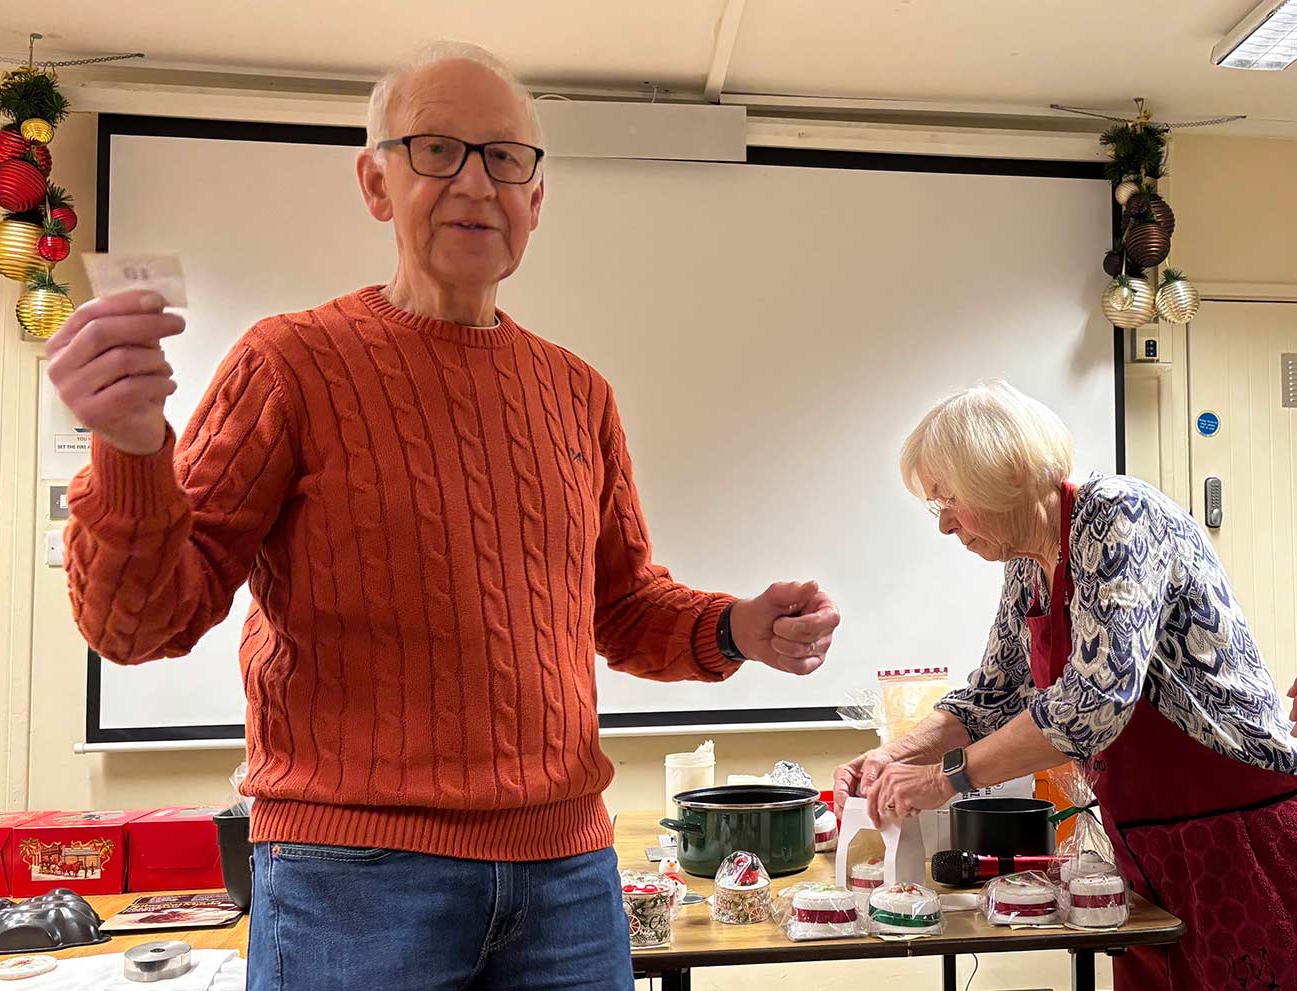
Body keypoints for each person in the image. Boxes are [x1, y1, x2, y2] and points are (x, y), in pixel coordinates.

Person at [48, 41, 841, 991]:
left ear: (535, 201)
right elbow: (141, 624)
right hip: (353, 880)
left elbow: (619, 601)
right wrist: (134, 453)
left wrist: (733, 626)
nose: (475, 181)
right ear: (376, 182)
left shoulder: (575, 392)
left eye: (505, 158)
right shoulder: (288, 365)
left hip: (567, 877)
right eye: (436, 149)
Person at [835, 381, 1297, 990]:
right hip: (1146, 836)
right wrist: (894, 753)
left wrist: (945, 779)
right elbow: (992, 696)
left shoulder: (1119, 515)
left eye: (950, 499)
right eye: (935, 505)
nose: (945, 524)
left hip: (1237, 827)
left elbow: (1096, 700)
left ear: (1009, 473)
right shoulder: (1029, 559)